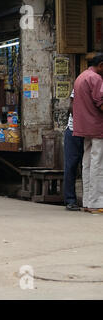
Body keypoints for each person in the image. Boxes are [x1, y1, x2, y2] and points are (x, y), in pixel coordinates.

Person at [72, 55, 103, 214]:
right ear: (101, 65)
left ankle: (87, 201)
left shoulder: (81, 77)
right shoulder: (95, 78)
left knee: (88, 163)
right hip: (97, 127)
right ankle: (96, 202)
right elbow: (101, 102)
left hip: (85, 127)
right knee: (98, 164)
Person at [63, 90, 84, 211]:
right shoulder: (81, 84)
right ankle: (70, 200)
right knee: (71, 165)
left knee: (89, 166)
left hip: (90, 131)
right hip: (73, 130)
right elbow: (72, 106)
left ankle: (90, 200)